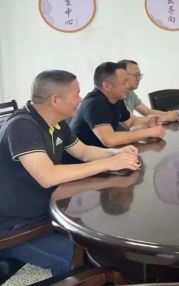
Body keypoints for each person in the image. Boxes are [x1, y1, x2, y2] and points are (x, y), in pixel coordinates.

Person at [0, 70, 140, 275]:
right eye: (76, 94)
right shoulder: (22, 126)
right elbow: (48, 176)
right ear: (56, 100)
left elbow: (83, 151)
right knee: (76, 258)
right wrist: (109, 163)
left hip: (47, 213)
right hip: (14, 226)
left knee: (99, 243)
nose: (81, 99)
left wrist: (117, 153)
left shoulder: (55, 123)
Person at [71, 62, 166, 149]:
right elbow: (110, 140)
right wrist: (149, 132)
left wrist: (147, 124)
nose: (128, 86)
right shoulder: (95, 103)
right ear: (107, 86)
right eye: (124, 83)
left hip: (103, 153)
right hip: (82, 160)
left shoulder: (116, 99)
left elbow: (131, 123)